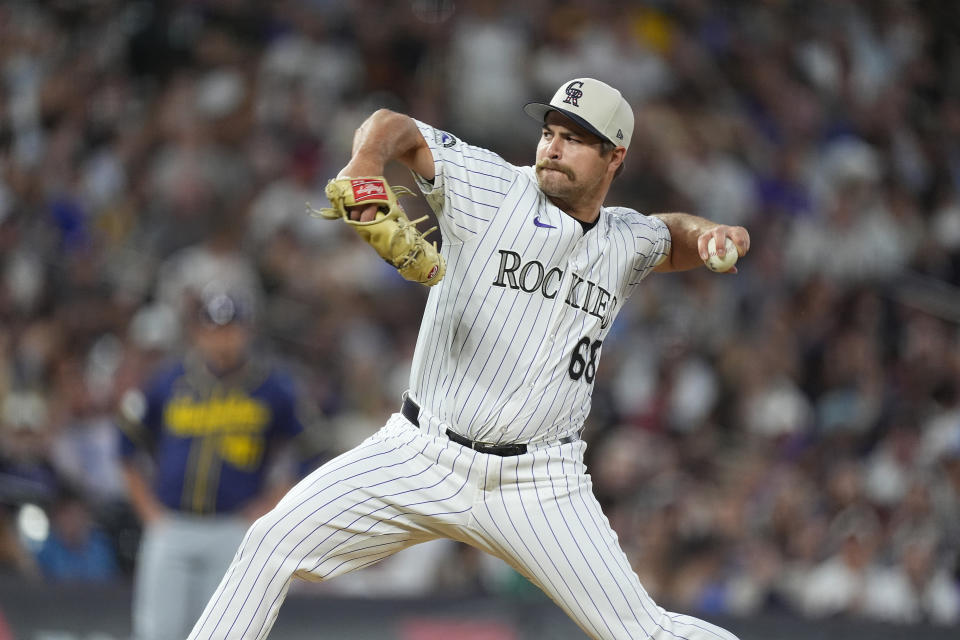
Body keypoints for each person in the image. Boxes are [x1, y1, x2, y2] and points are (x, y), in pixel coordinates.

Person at [189, 78, 750, 640]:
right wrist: (364, 162)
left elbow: (670, 236)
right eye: (549, 132)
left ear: (615, 157)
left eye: (576, 138)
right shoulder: (493, 185)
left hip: (539, 481)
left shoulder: (625, 239)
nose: (553, 148)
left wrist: (711, 235)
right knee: (270, 543)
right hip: (420, 451)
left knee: (643, 631)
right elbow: (392, 125)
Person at [118, 289, 317, 640]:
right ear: (198, 333)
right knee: (156, 632)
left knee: (226, 633)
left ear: (247, 332)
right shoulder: (169, 380)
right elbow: (127, 444)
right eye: (214, 330)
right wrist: (149, 512)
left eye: (230, 329)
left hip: (233, 529)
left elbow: (309, 450)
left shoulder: (272, 387)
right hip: (171, 524)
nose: (222, 339)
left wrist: (269, 507)